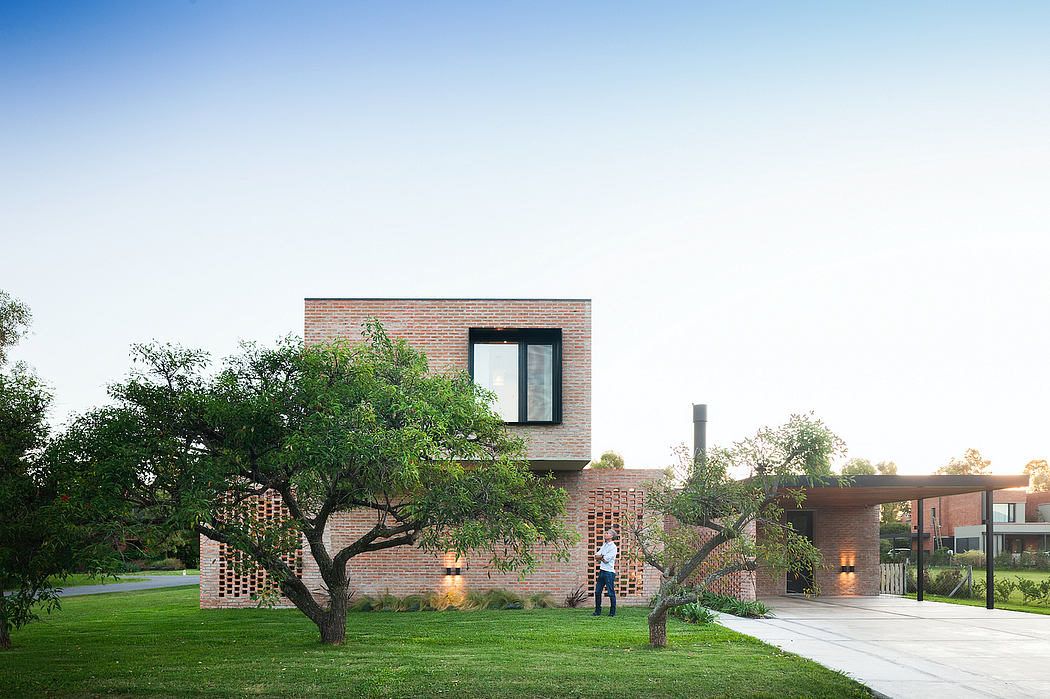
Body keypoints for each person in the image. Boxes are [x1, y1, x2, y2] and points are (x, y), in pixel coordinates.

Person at [592, 528, 618, 617]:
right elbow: (596, 556)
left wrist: (601, 557)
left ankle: (612, 613)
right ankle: (597, 611)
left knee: (611, 593)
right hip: (602, 571)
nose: (605, 534)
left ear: (611, 536)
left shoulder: (613, 547)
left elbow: (606, 560)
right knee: (597, 592)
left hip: (609, 573)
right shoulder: (604, 545)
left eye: (607, 533)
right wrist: (601, 557)